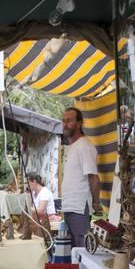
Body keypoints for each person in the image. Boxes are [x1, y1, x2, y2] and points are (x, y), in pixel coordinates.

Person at [58, 106, 100, 248]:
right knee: (72, 253)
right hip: (70, 207)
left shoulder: (84, 146)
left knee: (81, 252)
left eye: (69, 120)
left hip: (80, 207)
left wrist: (95, 203)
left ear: (79, 123)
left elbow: (93, 178)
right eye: (63, 121)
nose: (65, 124)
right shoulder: (71, 147)